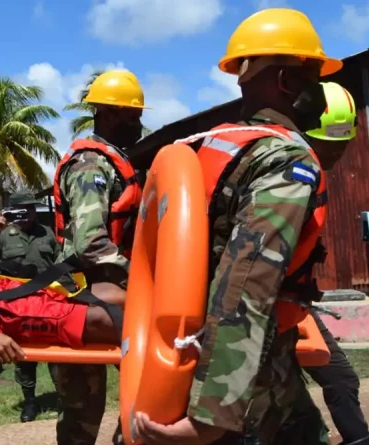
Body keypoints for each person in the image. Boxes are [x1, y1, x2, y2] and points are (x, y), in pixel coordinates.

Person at [131, 8, 344, 445]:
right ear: (287, 82)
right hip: (240, 372)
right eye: (313, 77)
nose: (320, 92)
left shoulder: (205, 147)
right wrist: (214, 411)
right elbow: (249, 281)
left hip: (184, 349)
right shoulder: (285, 161)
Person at [52, 68, 146, 445]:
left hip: (112, 297)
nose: (139, 125)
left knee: (142, 395)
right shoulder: (91, 166)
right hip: (83, 296)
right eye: (132, 117)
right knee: (81, 413)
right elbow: (90, 244)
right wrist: (141, 274)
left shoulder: (115, 163)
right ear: (107, 115)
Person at [281, 82, 369, 445]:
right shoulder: (288, 174)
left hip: (296, 305)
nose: (337, 152)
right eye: (330, 143)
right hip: (265, 311)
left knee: (340, 378)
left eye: (343, 142)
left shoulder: (312, 177)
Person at [0, 191, 61, 422]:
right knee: (23, 354)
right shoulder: (3, 235)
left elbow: (60, 261)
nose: (26, 214)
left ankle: (63, 398)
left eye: (30, 209)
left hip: (47, 301)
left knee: (55, 352)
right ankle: (29, 403)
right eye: (21, 210)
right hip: (17, 305)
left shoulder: (47, 233)